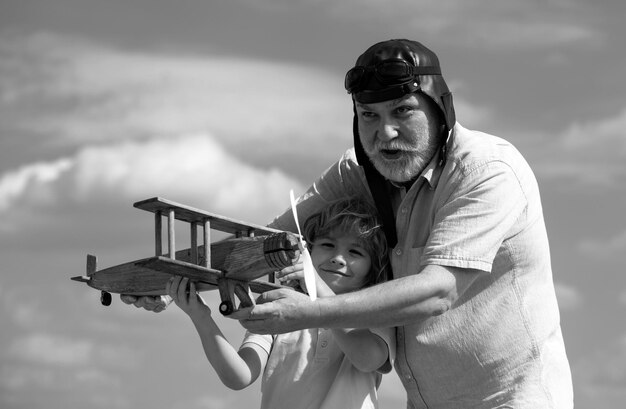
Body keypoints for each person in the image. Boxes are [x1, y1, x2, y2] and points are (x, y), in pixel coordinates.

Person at [123, 39, 573, 408]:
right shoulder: (357, 171)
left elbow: (441, 289)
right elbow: (264, 242)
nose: (385, 133)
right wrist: (171, 281)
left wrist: (310, 311)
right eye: (369, 116)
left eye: (403, 112)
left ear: (440, 110)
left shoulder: (487, 171)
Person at [164, 198, 395, 409]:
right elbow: (239, 376)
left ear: (373, 269)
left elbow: (367, 359)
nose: (338, 257)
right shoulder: (281, 309)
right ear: (307, 251)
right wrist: (201, 316)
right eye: (327, 245)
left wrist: (320, 291)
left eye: (355, 251)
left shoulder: (376, 313)